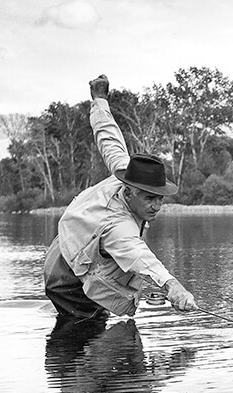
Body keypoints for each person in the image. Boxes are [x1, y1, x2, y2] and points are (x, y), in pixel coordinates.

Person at [43, 74, 197, 319]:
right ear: (128, 191)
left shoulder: (126, 172)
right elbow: (140, 256)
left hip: (73, 242)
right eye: (149, 198)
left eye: (159, 198)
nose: (156, 205)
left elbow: (108, 136)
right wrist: (172, 286)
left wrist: (100, 100)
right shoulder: (118, 225)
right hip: (67, 275)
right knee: (85, 326)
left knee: (103, 319)